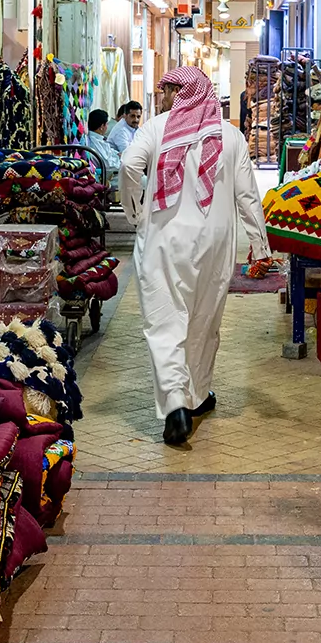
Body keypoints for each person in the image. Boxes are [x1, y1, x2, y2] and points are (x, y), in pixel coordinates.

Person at [120, 67, 267, 446]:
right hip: (215, 243)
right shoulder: (231, 135)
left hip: (163, 239)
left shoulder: (156, 128)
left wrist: (134, 211)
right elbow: (248, 196)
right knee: (203, 321)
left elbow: (128, 166)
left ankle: (177, 405)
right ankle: (198, 396)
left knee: (165, 320)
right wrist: (260, 246)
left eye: (165, 90)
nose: (163, 97)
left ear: (177, 91)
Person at [80, 108, 120, 178]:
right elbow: (107, 165)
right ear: (102, 126)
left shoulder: (99, 139)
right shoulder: (94, 142)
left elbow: (110, 152)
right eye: (106, 124)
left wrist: (118, 155)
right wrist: (122, 162)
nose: (107, 127)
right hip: (105, 175)